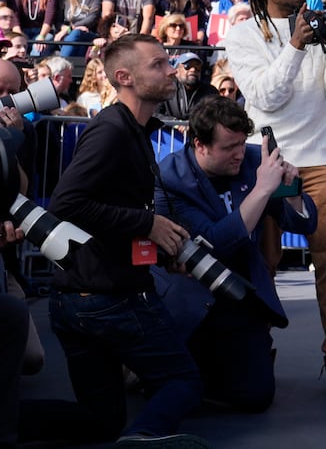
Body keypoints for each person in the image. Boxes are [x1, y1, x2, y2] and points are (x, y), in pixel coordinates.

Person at [47, 33, 205, 444]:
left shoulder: (133, 129)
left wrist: (158, 241)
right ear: (124, 77)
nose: (171, 69)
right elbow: (67, 202)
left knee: (100, 420)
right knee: (183, 382)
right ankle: (143, 439)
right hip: (108, 297)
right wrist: (146, 224)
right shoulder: (112, 131)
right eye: (158, 64)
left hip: (81, 297)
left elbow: (105, 210)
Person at [222, 0, 326, 401]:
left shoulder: (323, 25)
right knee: (260, 263)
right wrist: (298, 45)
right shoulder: (243, 34)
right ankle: (255, 352)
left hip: (321, 159)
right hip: (266, 160)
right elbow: (266, 97)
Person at [154, 95, 317, 413]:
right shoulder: (171, 177)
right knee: (178, 390)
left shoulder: (256, 160)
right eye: (229, 147)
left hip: (242, 294)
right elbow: (214, 244)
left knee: (256, 397)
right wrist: (261, 190)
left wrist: (292, 191)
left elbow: (306, 222)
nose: (240, 154)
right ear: (200, 144)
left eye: (243, 143)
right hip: (193, 297)